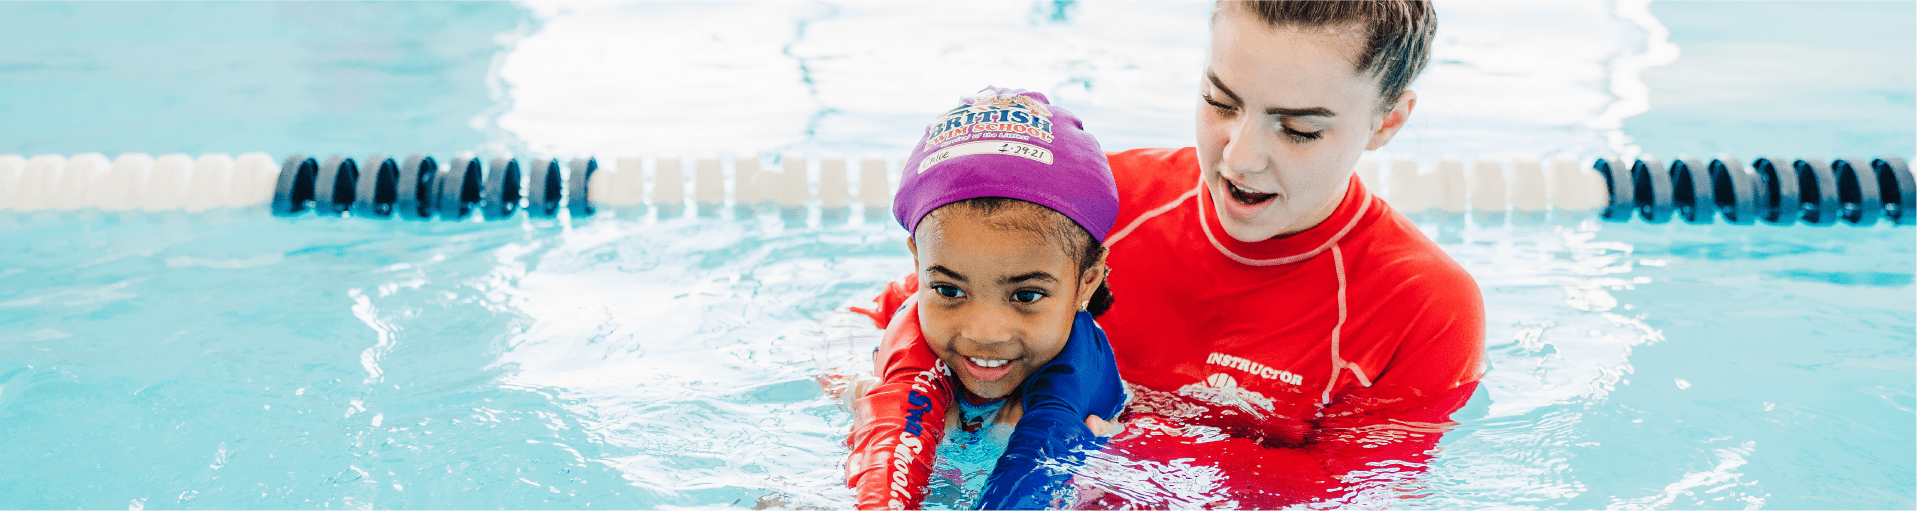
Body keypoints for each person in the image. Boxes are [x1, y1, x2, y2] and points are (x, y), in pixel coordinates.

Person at [850, 1, 1485, 508]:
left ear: (1387, 121)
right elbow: (878, 318)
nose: (1239, 157)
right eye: (1221, 102)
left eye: (1298, 129)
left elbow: (1356, 488)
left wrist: (1109, 443)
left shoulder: (1423, 307)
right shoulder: (1099, 207)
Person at [842, 87, 1130, 510]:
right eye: (949, 290)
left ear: (1087, 281)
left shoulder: (1084, 393)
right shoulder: (898, 312)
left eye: (1026, 295)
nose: (985, 332)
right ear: (919, 263)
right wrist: (848, 385)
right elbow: (844, 324)